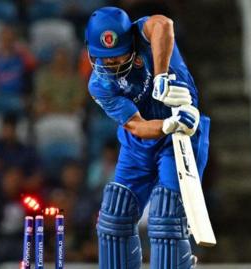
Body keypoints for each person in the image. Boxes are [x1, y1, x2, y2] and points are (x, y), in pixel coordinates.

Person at [85, 7, 210, 268]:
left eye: (117, 57)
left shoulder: (144, 34)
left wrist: (162, 76)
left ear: (131, 41)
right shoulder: (99, 85)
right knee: (114, 217)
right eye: (104, 58)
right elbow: (137, 127)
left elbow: (162, 24)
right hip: (142, 139)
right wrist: (168, 123)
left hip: (181, 138)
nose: (111, 64)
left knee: (165, 216)